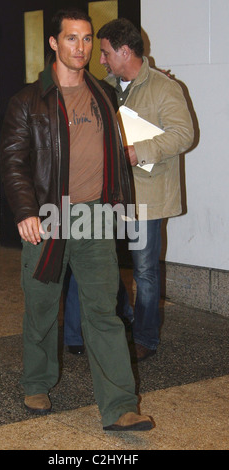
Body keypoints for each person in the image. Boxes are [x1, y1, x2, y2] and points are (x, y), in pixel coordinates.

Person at [0, 8, 154, 431]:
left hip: (95, 217)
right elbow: (14, 163)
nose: (81, 48)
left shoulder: (103, 94)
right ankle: (37, 380)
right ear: (54, 43)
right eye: (72, 39)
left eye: (87, 40)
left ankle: (121, 405)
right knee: (42, 306)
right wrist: (26, 211)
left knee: (103, 311)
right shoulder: (28, 101)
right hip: (48, 216)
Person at [97, 18, 194, 361]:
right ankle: (128, 316)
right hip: (111, 194)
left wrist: (139, 152)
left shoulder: (165, 88)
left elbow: (183, 135)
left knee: (145, 271)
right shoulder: (105, 86)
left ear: (125, 51)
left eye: (106, 53)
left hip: (147, 198)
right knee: (103, 262)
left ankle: (146, 338)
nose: (102, 60)